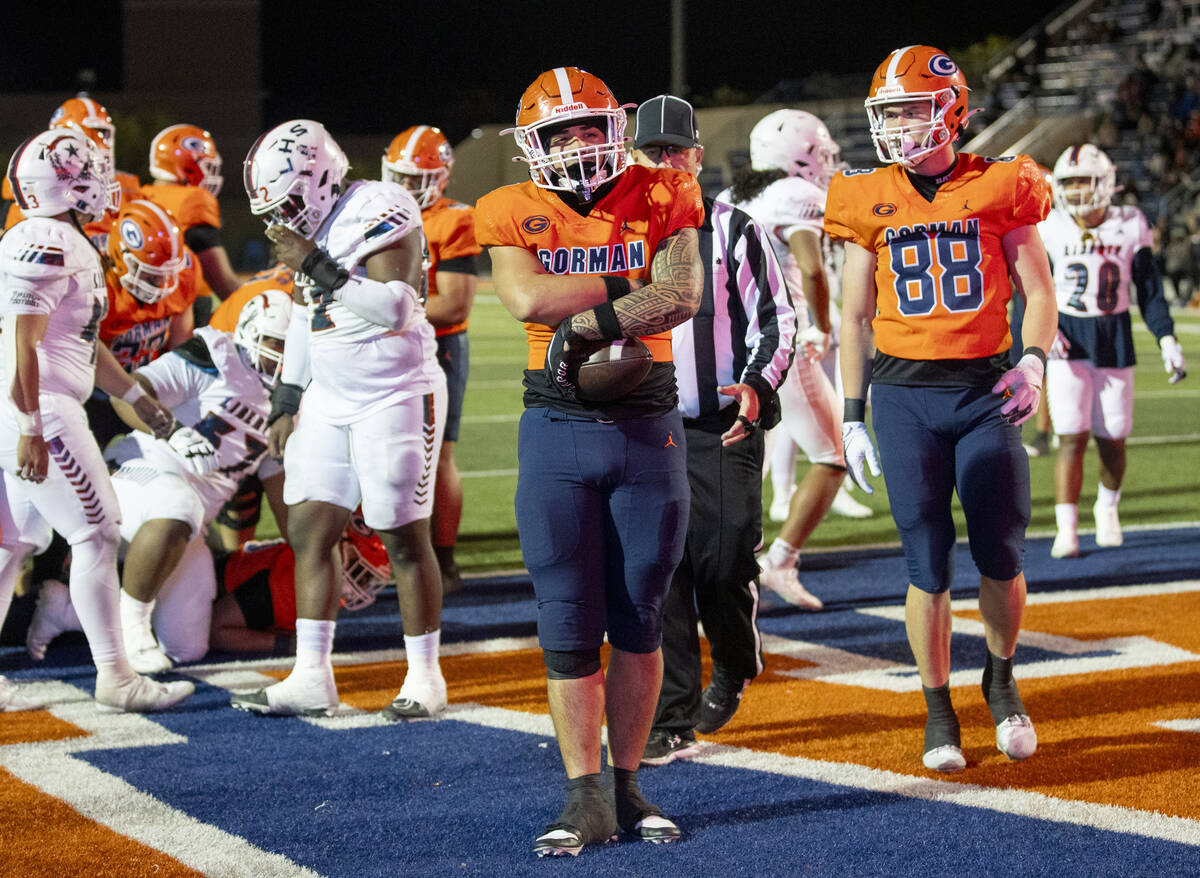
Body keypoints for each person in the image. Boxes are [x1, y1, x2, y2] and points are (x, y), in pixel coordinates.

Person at [475, 67, 703, 856]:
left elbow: (682, 293)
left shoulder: (664, 189)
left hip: (646, 423)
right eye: (559, 133)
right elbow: (527, 300)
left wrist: (588, 321)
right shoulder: (508, 208)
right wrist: (624, 285)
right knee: (568, 618)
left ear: (618, 125)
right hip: (558, 423)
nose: (576, 145)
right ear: (531, 146)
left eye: (588, 128)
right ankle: (584, 794)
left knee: (640, 614)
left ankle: (629, 784)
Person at [826, 46, 1057, 772]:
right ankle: (937, 707)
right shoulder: (864, 195)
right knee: (925, 560)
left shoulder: (1002, 183)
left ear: (952, 108)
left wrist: (1035, 361)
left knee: (1001, 551)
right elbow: (855, 316)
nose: (899, 124)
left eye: (912, 108)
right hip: (902, 396)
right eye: (889, 111)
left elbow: (1040, 292)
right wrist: (854, 412)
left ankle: (1001, 678)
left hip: (985, 392)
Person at [231, 120, 448, 721]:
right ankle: (311, 675)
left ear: (320, 176)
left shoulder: (379, 204)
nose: (285, 218)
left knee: (402, 534)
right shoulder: (316, 227)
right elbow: (305, 315)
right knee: (310, 530)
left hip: (394, 391)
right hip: (329, 393)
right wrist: (285, 398)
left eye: (290, 200)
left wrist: (318, 264)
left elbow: (397, 309)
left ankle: (425, 675)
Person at [0, 128, 192, 713]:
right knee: (98, 531)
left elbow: (80, 342)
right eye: (87, 174)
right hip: (42, 412)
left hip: (40, 406)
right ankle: (117, 676)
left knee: (11, 544)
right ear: (59, 184)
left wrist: (134, 390)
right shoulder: (43, 241)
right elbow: (22, 347)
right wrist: (31, 426)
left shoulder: (61, 240)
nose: (100, 186)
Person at [629, 95, 796, 765]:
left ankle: (733, 660)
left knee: (724, 561)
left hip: (723, 422)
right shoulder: (613, 234)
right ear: (634, 161)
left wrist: (757, 389)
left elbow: (778, 321)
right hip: (643, 426)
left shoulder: (736, 229)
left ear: (698, 156)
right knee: (658, 570)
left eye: (676, 149)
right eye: (653, 151)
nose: (665, 161)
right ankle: (672, 714)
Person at [720, 109, 851, 608]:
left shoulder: (733, 197)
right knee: (833, 455)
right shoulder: (797, 196)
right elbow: (814, 271)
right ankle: (780, 560)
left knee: (745, 460)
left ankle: (730, 567)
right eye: (820, 153)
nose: (826, 162)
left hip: (736, 345)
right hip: (783, 342)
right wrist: (819, 324)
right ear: (797, 156)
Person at [1040, 144, 1187, 558]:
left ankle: (1107, 508)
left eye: (1083, 180)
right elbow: (1031, 290)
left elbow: (1150, 289)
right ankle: (1065, 526)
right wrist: (1042, 334)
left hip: (1114, 333)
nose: (1074, 191)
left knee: (1113, 438)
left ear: (1104, 182)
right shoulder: (1049, 226)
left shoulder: (1130, 223)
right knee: (1071, 435)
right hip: (1067, 335)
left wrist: (1167, 338)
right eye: (1067, 183)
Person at [382, 125, 481, 592]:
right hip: (385, 346)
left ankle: (444, 560)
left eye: (413, 179)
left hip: (437, 347)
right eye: (397, 176)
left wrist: (383, 310)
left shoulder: (453, 219)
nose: (403, 188)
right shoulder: (372, 212)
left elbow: (456, 304)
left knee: (438, 456)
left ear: (439, 178)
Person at [86, 199, 200, 448]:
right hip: (92, 390)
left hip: (148, 383)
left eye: (168, 272)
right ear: (121, 257)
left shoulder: (182, 271)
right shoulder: (92, 277)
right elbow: (88, 355)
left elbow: (181, 349)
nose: (162, 283)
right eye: (150, 273)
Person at [210, 511, 390, 653]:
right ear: (339, 543)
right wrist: (283, 643)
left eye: (368, 578)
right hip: (207, 580)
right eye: (359, 571)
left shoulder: (316, 576)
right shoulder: (291, 584)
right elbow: (215, 631)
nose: (361, 586)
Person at [143, 124, 242, 321]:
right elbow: (223, 284)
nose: (211, 174)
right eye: (207, 166)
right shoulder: (194, 199)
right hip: (184, 314)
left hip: (145, 318)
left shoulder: (139, 196)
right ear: (186, 163)